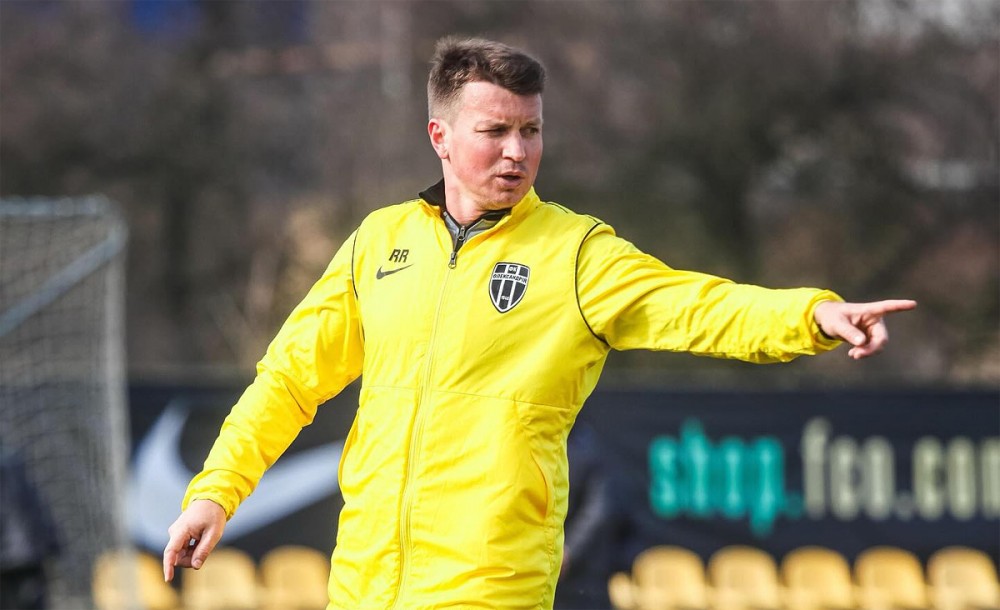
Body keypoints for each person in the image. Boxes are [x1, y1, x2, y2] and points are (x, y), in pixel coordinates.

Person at [163, 37, 916, 608]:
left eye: (531, 130)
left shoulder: (574, 253)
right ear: (440, 137)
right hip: (363, 587)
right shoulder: (378, 242)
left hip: (492, 588)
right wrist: (215, 492)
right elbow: (289, 380)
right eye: (495, 131)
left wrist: (811, 314)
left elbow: (695, 305)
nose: (517, 151)